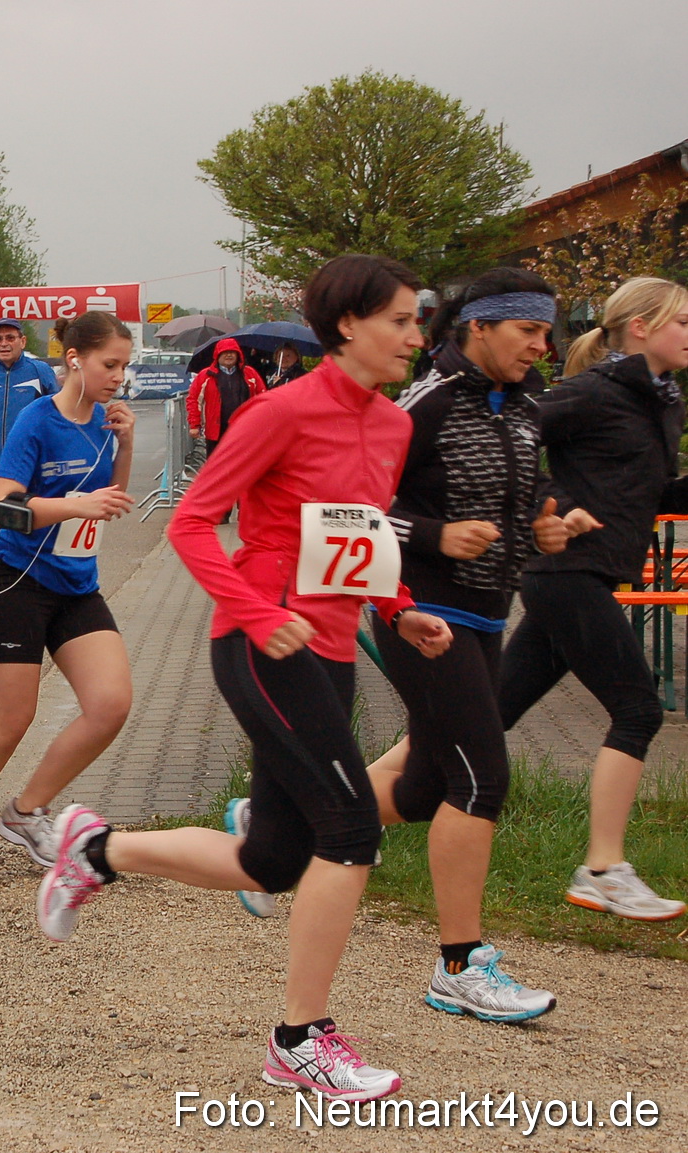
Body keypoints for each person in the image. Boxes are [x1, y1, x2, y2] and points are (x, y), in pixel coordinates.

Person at [37, 255, 453, 1100]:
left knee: (272, 858)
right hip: (261, 644)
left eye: (419, 321)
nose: (417, 335)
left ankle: (96, 848)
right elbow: (193, 525)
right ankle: (299, 1039)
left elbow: (359, 532)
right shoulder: (279, 411)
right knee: (350, 830)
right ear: (348, 325)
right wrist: (260, 614)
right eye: (403, 320)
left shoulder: (394, 425)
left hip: (328, 646)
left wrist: (398, 603)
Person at [332, 269, 600, 1024]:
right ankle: (460, 965)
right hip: (420, 608)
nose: (542, 345)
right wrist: (436, 535)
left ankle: (284, 818)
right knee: (482, 776)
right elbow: (357, 508)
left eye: (548, 332)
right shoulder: (424, 404)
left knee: (422, 788)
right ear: (479, 326)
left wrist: (546, 525)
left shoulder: (523, 407)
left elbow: (527, 496)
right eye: (529, 331)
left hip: (487, 614)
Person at [497, 276, 688, 922]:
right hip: (565, 572)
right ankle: (603, 866)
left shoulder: (662, 401)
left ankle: (309, 809)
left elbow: (646, 492)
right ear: (640, 327)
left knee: (479, 721)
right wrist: (560, 505)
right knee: (638, 707)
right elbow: (512, 441)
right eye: (682, 321)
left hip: (591, 575)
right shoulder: (594, 392)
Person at [0, 312, 136, 884]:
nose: (119, 376)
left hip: (76, 584)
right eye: (109, 365)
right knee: (10, 722)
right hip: (19, 583)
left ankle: (25, 811)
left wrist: (126, 439)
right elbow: (4, 504)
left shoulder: (103, 421)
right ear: (75, 359)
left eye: (124, 366)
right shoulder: (37, 419)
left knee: (112, 703)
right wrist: (73, 506)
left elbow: (111, 495)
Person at [0, 317, 59, 556]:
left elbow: (58, 413)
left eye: (10, 338)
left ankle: (35, 584)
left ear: (22, 341)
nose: (4, 344)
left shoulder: (39, 371)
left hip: (31, 468)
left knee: (31, 527)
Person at [186, 337, 266, 452]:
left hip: (245, 430)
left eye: (232, 352)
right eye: (225, 352)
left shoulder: (250, 374)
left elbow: (262, 398)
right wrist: (194, 425)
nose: (229, 355)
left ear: (238, 355)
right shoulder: (205, 376)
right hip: (215, 432)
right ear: (217, 355)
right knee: (217, 466)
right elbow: (193, 400)